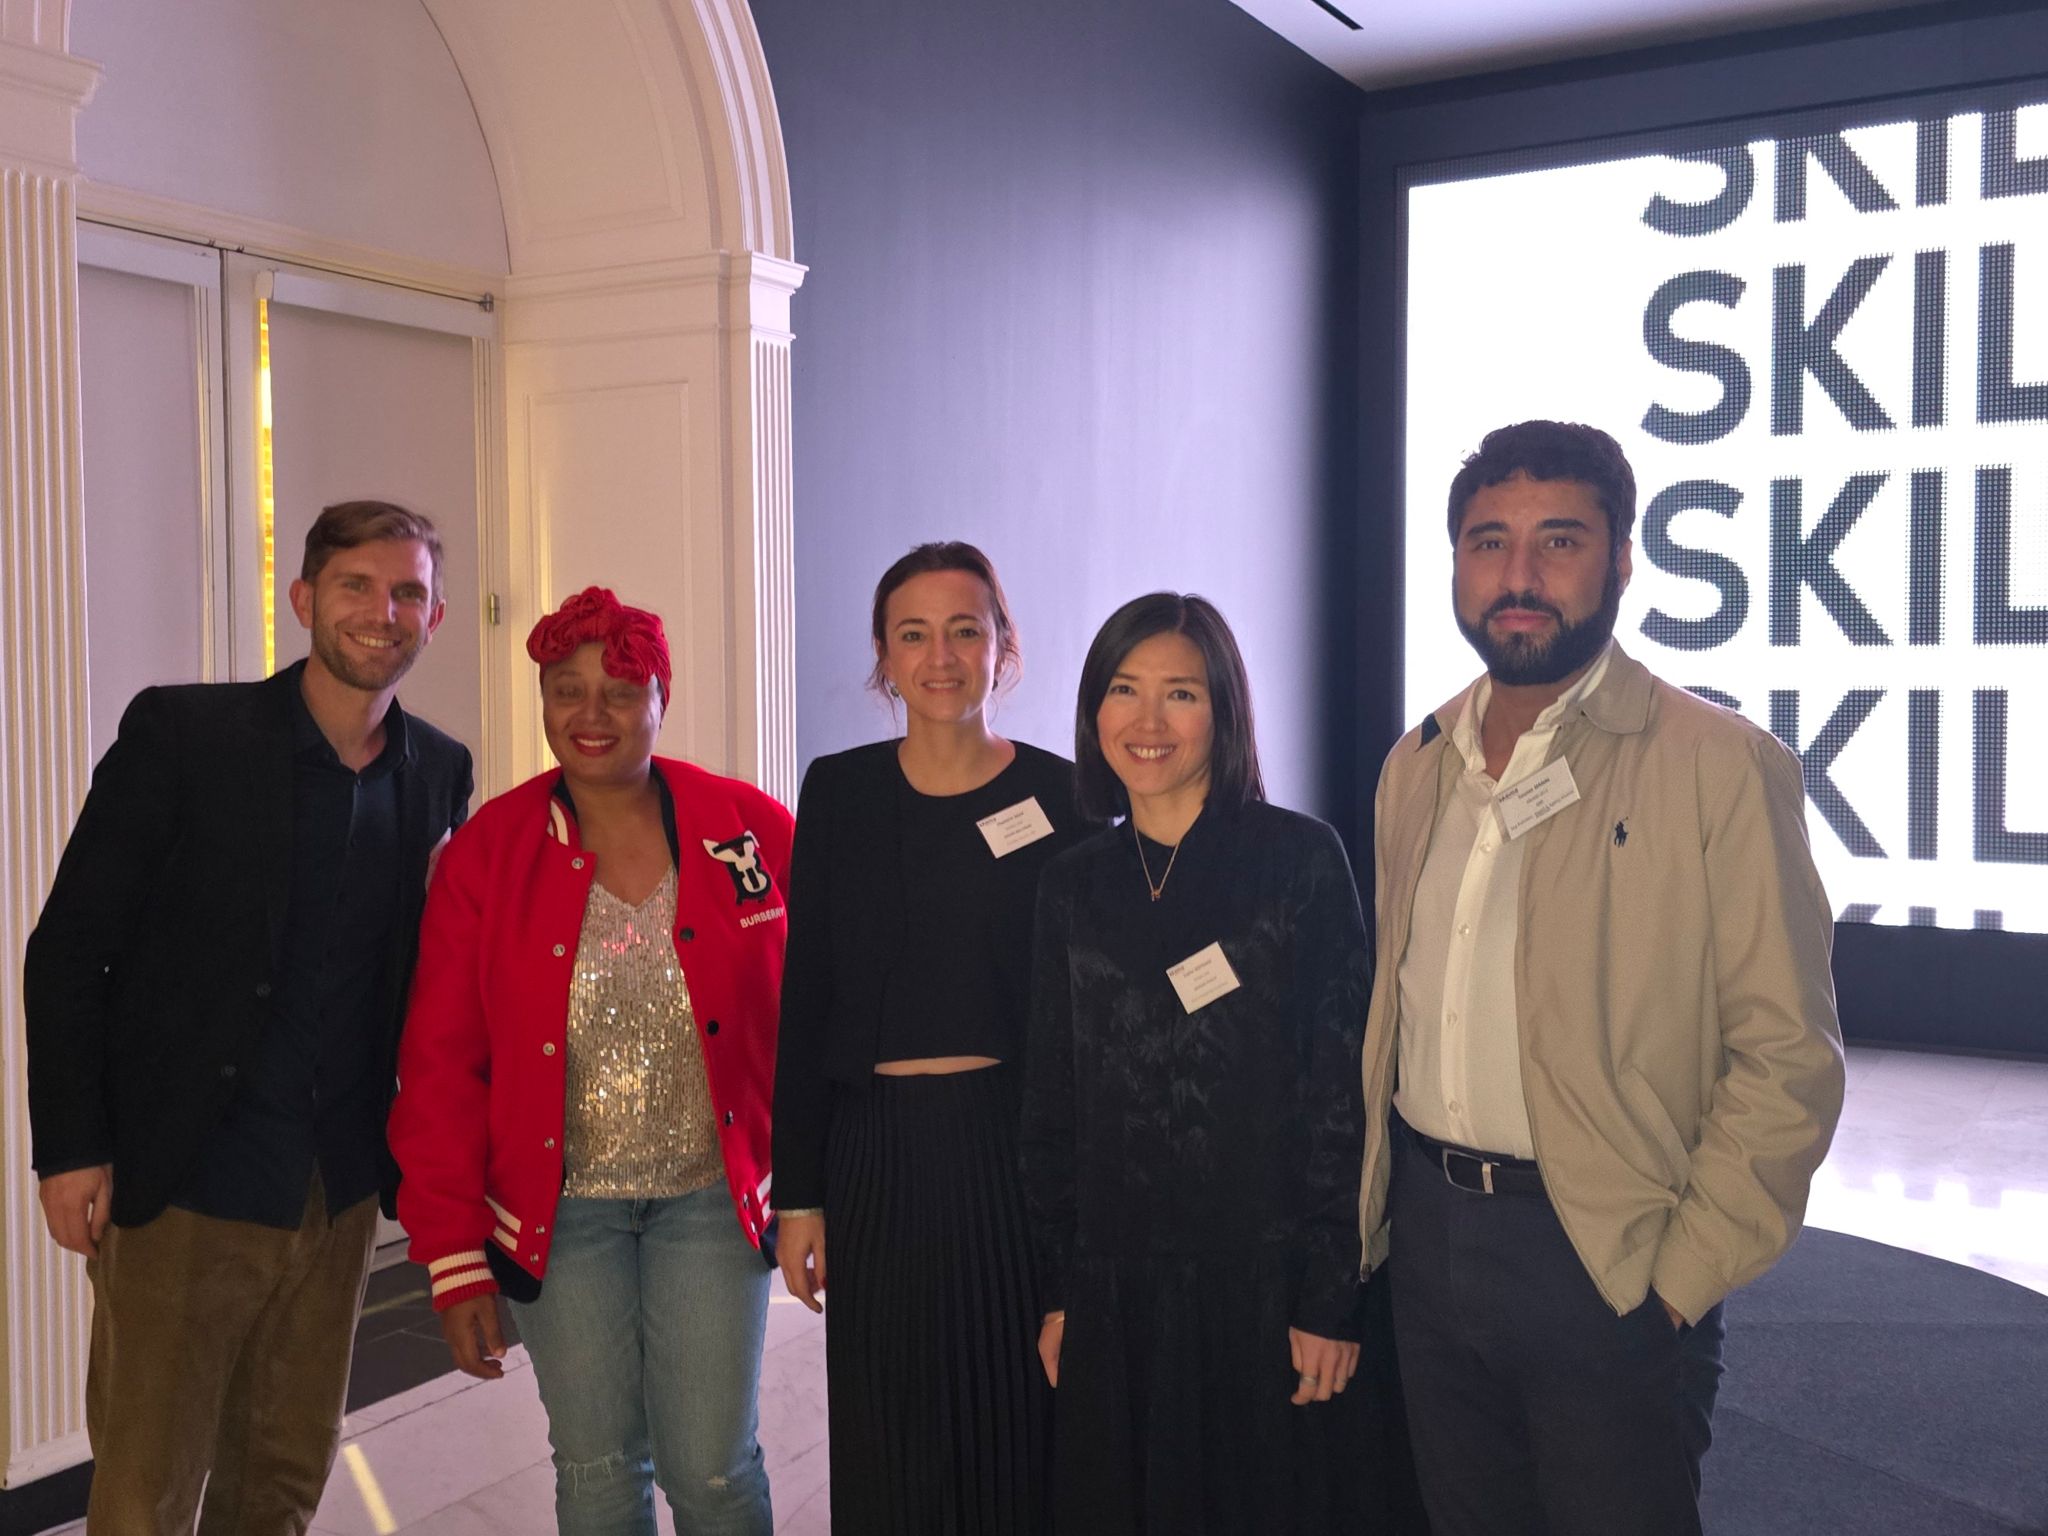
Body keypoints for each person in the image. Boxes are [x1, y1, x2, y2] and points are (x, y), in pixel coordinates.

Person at [1359, 419, 1846, 1535]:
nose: (1518, 575)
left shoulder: (1719, 766)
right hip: (1429, 1247)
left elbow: (1787, 1057)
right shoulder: (1415, 763)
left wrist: (1677, 1283)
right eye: (1488, 541)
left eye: (1560, 541)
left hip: (1608, 1259)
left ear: (1622, 560)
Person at [24, 501, 473, 1535]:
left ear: (436, 616)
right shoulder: (186, 736)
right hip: (189, 1176)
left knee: (281, 1479)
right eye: (356, 586)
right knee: (146, 1493)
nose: (382, 612)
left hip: (337, 1188)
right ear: (304, 599)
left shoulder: (439, 770)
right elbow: (71, 947)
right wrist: (72, 1148)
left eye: (407, 592)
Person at [388, 587, 790, 1535]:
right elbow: (440, 1065)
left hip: (711, 1201)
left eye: (620, 690)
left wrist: (818, 1187)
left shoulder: (749, 829)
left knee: (714, 1469)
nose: (591, 713)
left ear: (661, 698)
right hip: (560, 1217)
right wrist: (454, 1257)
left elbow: (813, 1021)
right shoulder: (488, 854)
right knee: (600, 1467)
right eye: (566, 690)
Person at [1020, 592, 1375, 1536]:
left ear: (1223, 709)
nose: (1148, 720)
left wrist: (1329, 1300)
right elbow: (1051, 1104)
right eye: (1124, 689)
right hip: (1113, 1293)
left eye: (1179, 693)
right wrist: (1058, 1295)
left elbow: (1342, 1094)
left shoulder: (1298, 861)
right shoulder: (1073, 882)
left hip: (1264, 1290)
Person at [770, 541, 1088, 1535]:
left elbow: (1088, 1017)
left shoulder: (1065, 798)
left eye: (964, 631)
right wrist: (799, 1195)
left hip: (1010, 1149)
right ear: (884, 655)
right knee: (889, 1426)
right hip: (875, 1152)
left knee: (1013, 1420)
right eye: (913, 634)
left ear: (1003, 648)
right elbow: (807, 997)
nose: (940, 657)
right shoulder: (840, 792)